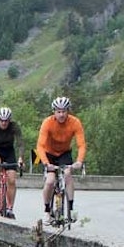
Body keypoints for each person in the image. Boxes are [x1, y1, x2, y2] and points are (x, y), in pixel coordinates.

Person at [35, 96, 87, 224]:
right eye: (58, 111)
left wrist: (79, 161)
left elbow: (81, 144)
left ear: (68, 111)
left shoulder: (75, 122)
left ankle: (71, 208)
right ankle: (47, 210)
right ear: (54, 112)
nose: (61, 114)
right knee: (50, 181)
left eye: (64, 111)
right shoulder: (47, 123)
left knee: (68, 174)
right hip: (49, 154)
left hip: (64, 153)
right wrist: (47, 163)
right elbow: (40, 146)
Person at [0, 106, 24, 218]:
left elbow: (20, 143)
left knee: (11, 180)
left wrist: (21, 158)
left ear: (9, 120)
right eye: (1, 120)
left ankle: (10, 208)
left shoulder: (14, 127)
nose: (4, 123)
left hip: (9, 151)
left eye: (6, 120)